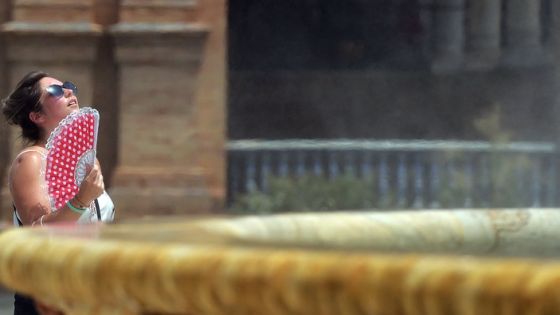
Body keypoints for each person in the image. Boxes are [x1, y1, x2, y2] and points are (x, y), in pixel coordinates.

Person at [2, 71, 115, 314]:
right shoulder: (31, 161)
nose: (68, 91)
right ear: (37, 116)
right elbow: (38, 230)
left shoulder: (88, 162)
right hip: (49, 295)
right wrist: (81, 200)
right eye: (54, 91)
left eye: (68, 85)